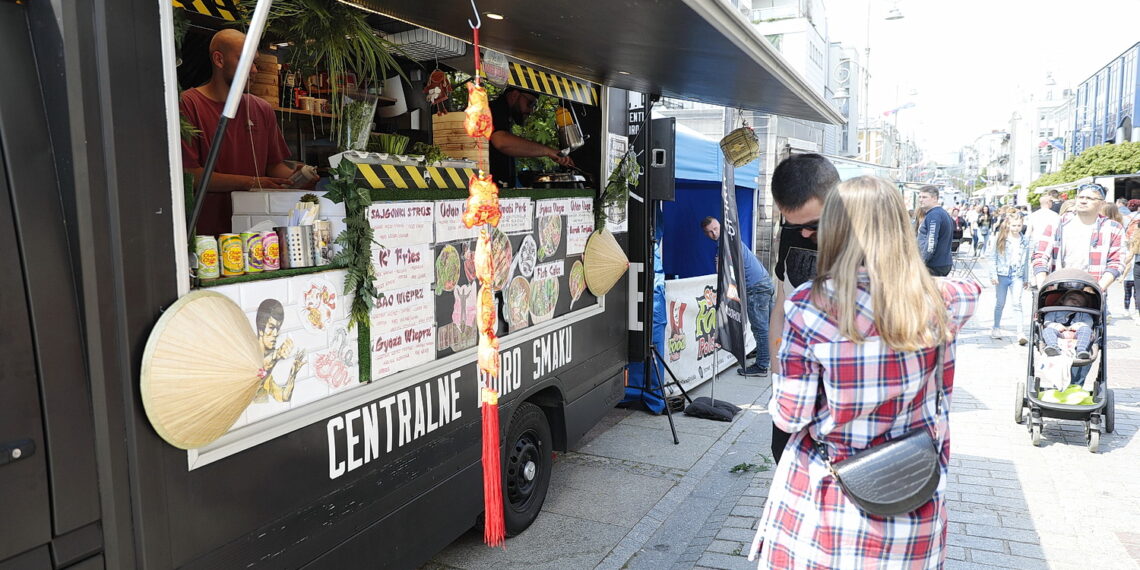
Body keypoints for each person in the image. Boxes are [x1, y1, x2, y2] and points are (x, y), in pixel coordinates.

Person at [748, 175, 980, 568]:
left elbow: (792, 414)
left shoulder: (810, 306)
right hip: (914, 495)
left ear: (837, 228)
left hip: (831, 500)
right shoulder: (942, 300)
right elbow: (974, 291)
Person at [180, 29, 313, 236]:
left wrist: (299, 178)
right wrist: (251, 182)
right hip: (206, 236)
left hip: (260, 236)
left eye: (255, 63)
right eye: (245, 60)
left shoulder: (262, 109)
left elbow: (273, 167)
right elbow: (190, 175)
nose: (253, 70)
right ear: (219, 59)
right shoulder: (187, 105)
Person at [766, 153, 840, 465]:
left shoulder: (871, 241)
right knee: (783, 454)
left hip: (843, 392)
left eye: (812, 224)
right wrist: (776, 370)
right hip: (795, 384)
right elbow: (782, 300)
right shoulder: (793, 231)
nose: (805, 234)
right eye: (792, 224)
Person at [700, 217, 774, 376]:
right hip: (764, 281)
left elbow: (722, 272)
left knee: (761, 329)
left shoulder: (725, 244)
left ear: (720, 226)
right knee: (768, 326)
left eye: (716, 229)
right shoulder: (731, 238)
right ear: (706, 234)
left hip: (756, 287)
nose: (714, 233)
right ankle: (770, 360)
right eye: (710, 232)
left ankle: (762, 367)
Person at [488, 88, 574, 187]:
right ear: (515, 95)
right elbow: (501, 142)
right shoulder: (494, 109)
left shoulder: (505, 116)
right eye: (530, 104)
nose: (531, 110)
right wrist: (547, 151)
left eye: (534, 106)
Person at [254, 299, 305, 403]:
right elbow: (259, 368)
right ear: (260, 329)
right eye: (272, 327)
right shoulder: (249, 357)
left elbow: (284, 397)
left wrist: (293, 372)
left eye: (278, 328)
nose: (276, 333)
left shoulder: (267, 376)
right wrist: (276, 355)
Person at [990, 213, 1030, 344]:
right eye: (1014, 225)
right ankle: (996, 327)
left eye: (1019, 225)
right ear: (1008, 224)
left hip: (1016, 274)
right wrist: (993, 275)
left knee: (1017, 303)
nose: (1017, 228)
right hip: (1002, 274)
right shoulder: (1000, 238)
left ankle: (1020, 332)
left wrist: (1026, 277)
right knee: (1000, 303)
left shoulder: (1024, 240)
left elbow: (1026, 260)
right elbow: (992, 257)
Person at [1042, 290, 1095, 361]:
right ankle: (1053, 347)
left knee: (1086, 330)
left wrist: (1079, 325)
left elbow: (1089, 322)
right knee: (1047, 330)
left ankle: (1081, 350)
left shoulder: (1084, 314)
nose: (1075, 301)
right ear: (1062, 300)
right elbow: (1047, 321)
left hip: (1077, 335)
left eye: (1080, 302)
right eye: (1072, 298)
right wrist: (1055, 325)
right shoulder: (1054, 311)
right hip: (1059, 334)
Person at [916, 186, 955, 276]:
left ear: (934, 198)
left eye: (924, 197)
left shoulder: (934, 215)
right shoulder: (941, 213)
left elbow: (931, 242)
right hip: (941, 263)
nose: (921, 200)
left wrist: (922, 261)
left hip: (934, 265)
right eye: (920, 197)